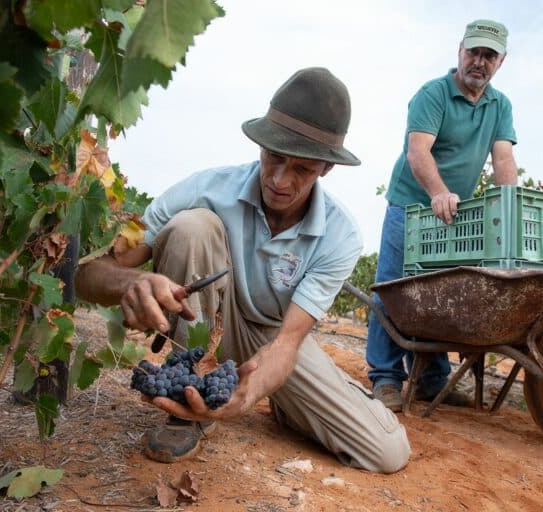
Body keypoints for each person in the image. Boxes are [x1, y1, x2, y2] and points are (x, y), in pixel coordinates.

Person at [75, 67, 411, 473]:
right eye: (274, 157)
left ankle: (288, 405)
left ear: (326, 168)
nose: (280, 180)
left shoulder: (340, 235)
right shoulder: (204, 188)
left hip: (273, 339)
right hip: (206, 318)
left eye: (302, 169)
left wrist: (250, 395)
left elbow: (287, 344)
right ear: (261, 145)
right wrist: (133, 281)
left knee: (388, 452)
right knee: (190, 226)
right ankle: (186, 408)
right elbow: (89, 273)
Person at [366, 19, 519, 411]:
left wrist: (510, 211)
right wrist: (437, 192)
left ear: (501, 61)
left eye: (489, 56)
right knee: (393, 289)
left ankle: (431, 381)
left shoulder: (499, 105)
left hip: (455, 214)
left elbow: (503, 159)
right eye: (474, 52)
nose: (479, 62)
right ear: (459, 51)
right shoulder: (432, 95)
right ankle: (385, 378)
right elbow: (419, 151)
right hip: (411, 205)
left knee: (440, 294)